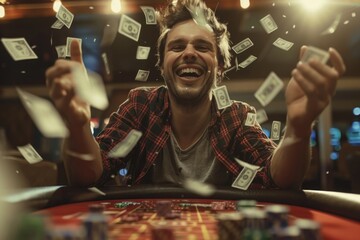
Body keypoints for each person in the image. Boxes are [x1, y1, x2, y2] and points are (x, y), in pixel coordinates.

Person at [45, 0, 345, 190]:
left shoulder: (237, 116)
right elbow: (87, 177)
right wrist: (77, 125)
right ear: (162, 65)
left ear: (220, 66)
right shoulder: (140, 104)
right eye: (177, 47)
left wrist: (299, 127)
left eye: (202, 47)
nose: (189, 53)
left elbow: (279, 178)